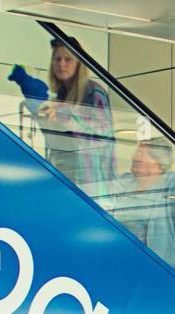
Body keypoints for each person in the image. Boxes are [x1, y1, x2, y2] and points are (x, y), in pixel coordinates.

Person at [26, 40, 116, 199]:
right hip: (64, 175)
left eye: (68, 59)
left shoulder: (93, 91)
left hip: (91, 183)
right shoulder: (59, 95)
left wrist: (63, 113)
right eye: (57, 59)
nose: (62, 64)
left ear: (79, 63)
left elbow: (102, 129)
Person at [110, 140, 175, 278]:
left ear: (157, 161)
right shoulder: (124, 183)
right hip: (119, 264)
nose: (134, 157)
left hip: (156, 269)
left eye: (140, 153)